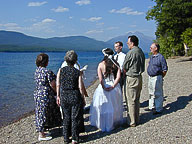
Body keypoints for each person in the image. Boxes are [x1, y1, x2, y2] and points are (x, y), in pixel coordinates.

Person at [89, 48, 124, 132]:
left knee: (102, 106)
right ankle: (112, 122)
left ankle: (102, 123)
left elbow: (100, 79)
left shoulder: (100, 64)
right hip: (114, 87)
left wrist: (104, 87)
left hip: (104, 86)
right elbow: (118, 77)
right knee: (114, 106)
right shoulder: (116, 64)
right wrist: (113, 86)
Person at [56, 50, 86, 144]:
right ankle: (74, 138)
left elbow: (58, 84)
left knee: (66, 117)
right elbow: (80, 87)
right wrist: (83, 97)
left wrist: (58, 96)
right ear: (75, 60)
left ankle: (65, 138)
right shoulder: (77, 72)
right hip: (75, 95)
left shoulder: (61, 70)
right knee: (75, 118)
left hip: (64, 94)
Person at [34, 53, 62, 141]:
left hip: (38, 93)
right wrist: (57, 93)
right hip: (45, 94)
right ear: (46, 62)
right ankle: (41, 135)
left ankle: (42, 131)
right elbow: (53, 84)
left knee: (40, 112)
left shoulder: (37, 71)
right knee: (44, 113)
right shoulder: (47, 72)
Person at [123, 35, 145, 127]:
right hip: (139, 77)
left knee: (130, 100)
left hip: (131, 77)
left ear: (132, 43)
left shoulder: (131, 53)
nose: (127, 44)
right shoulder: (141, 52)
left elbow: (125, 66)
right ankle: (137, 118)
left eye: (128, 43)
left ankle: (132, 121)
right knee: (136, 99)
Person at [147, 43, 168, 114]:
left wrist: (161, 77)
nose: (150, 49)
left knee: (158, 93)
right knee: (151, 92)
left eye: (151, 47)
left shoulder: (160, 57)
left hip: (157, 77)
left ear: (156, 48)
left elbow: (164, 69)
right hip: (151, 77)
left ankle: (158, 108)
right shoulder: (152, 57)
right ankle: (151, 106)